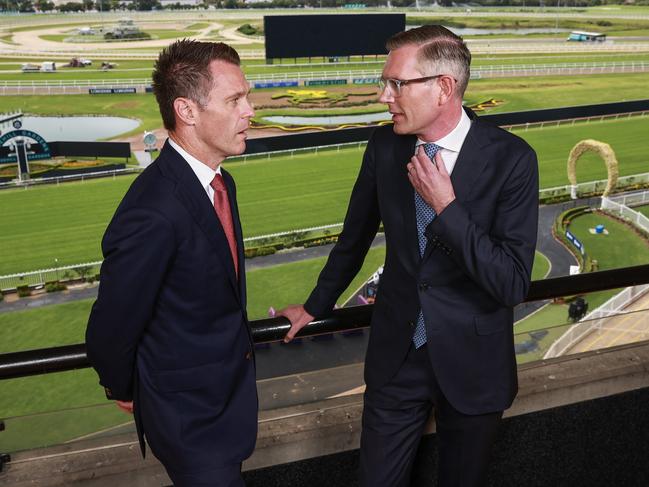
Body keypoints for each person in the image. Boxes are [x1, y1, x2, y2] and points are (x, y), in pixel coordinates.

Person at [279, 25, 539, 487]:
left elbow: (512, 282)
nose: (385, 96)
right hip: (396, 357)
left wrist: (446, 208)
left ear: (444, 87)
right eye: (386, 82)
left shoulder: (513, 159)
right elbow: (354, 236)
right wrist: (317, 304)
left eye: (397, 84)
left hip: (473, 363)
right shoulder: (384, 146)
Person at [86, 39, 256, 487]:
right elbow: (110, 326)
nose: (250, 111)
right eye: (235, 99)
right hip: (189, 425)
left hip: (224, 408)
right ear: (187, 110)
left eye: (248, 96)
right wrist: (123, 388)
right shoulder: (154, 208)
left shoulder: (222, 182)